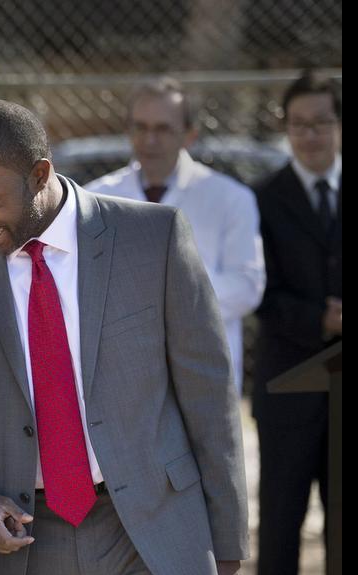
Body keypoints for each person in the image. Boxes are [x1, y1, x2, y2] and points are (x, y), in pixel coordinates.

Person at [0, 99, 248, 575]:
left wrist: (228, 540)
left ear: (40, 174)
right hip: (30, 544)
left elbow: (207, 395)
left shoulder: (153, 239)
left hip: (152, 531)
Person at [85, 77, 264, 392]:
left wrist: (171, 298)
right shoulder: (95, 199)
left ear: (190, 135)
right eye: (140, 127)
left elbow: (247, 286)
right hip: (123, 380)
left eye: (163, 129)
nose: (149, 140)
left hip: (204, 374)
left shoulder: (230, 198)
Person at [250, 71, 341, 575]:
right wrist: (319, 320)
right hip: (288, 385)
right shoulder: (260, 198)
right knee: (281, 520)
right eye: (299, 125)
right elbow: (256, 289)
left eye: (322, 123)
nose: (310, 136)